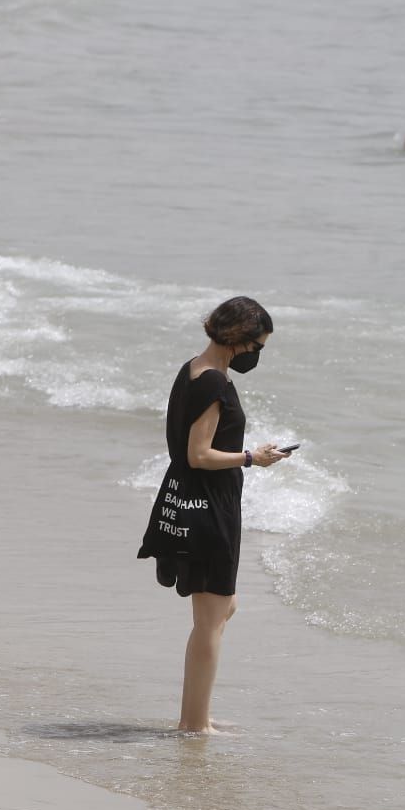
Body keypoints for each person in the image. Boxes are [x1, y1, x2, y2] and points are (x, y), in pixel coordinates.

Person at [138, 297, 290, 733]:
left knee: (222, 610)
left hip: (198, 500)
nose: (257, 355)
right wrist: (250, 458)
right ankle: (193, 724)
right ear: (238, 339)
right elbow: (198, 454)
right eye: (256, 346)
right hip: (205, 506)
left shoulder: (194, 370)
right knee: (211, 617)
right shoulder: (213, 384)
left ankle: (195, 714)